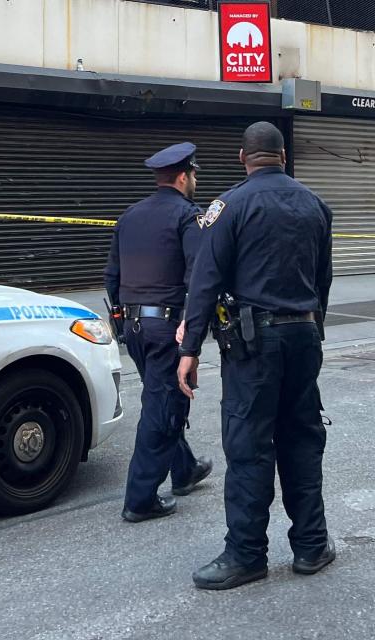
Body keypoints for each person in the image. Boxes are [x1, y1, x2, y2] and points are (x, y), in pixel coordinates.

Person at [177, 121, 335, 590]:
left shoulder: (228, 206)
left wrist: (190, 350)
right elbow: (322, 282)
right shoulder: (316, 205)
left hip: (254, 345)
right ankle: (312, 545)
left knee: (248, 446)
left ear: (243, 159)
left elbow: (205, 281)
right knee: (302, 439)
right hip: (305, 337)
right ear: (283, 156)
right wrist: (312, 329)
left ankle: (246, 555)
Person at [105, 142, 214, 524]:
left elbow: (112, 277)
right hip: (169, 325)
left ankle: (183, 470)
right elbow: (198, 276)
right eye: (195, 174)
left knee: (161, 395)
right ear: (184, 176)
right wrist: (193, 329)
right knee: (163, 406)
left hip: (134, 326)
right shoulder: (188, 217)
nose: (195, 180)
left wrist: (121, 321)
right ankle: (140, 498)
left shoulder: (129, 216)